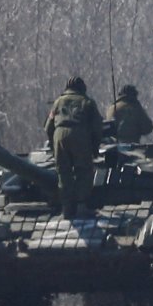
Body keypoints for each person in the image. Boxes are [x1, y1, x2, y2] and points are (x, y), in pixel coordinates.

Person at [44, 76, 104, 219]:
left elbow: (48, 127)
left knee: (63, 173)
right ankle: (81, 206)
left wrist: (53, 146)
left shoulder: (58, 102)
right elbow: (97, 127)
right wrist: (95, 148)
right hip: (79, 134)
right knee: (83, 170)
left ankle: (66, 209)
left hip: (59, 135)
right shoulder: (87, 102)